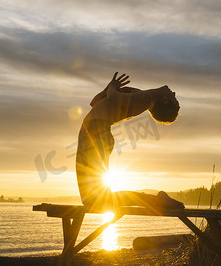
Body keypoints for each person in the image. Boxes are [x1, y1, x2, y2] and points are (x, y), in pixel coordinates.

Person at [76, 72, 185, 212]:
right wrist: (108, 88)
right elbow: (95, 103)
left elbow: (113, 98)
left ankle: (159, 201)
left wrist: (112, 88)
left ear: (164, 100)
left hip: (95, 133)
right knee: (96, 199)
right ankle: (158, 200)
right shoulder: (144, 97)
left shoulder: (147, 98)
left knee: (94, 200)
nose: (174, 93)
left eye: (174, 98)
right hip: (95, 132)